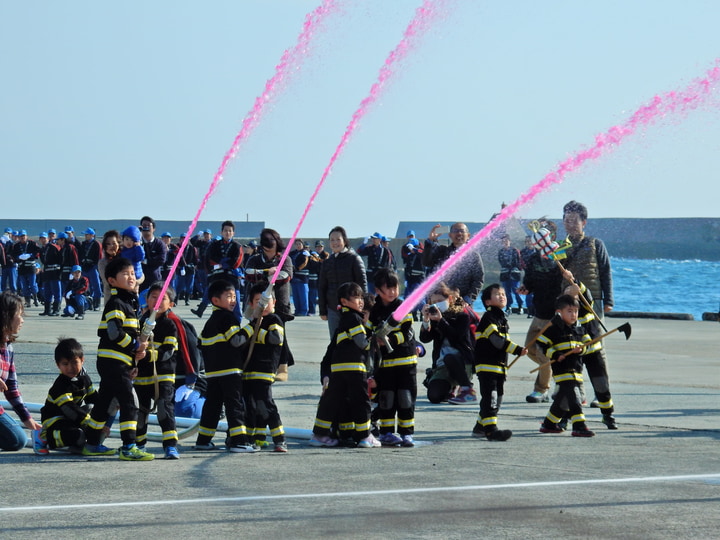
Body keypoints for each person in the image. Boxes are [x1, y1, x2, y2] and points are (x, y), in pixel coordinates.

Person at [81, 256, 154, 460]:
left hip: (118, 363)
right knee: (129, 402)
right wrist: (135, 346)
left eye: (132, 273)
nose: (131, 277)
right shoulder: (116, 304)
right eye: (125, 274)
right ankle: (129, 445)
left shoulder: (130, 305)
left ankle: (92, 442)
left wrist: (135, 358)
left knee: (104, 403)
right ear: (111, 280)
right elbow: (114, 333)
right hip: (113, 362)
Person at [310, 281, 380, 448]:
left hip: (338, 369)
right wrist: (374, 339)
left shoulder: (343, 320)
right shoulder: (354, 318)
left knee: (330, 401)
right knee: (361, 400)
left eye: (361, 297)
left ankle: (319, 434)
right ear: (344, 301)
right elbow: (362, 343)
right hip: (355, 368)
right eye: (356, 298)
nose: (361, 301)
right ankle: (365, 436)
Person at [562, 200, 614, 408]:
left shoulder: (595, 243)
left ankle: (601, 392)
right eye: (567, 220)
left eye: (574, 220)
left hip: (593, 302)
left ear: (584, 222)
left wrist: (608, 300)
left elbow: (605, 271)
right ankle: (577, 391)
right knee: (571, 345)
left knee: (596, 348)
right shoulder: (560, 246)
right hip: (569, 304)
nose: (570, 224)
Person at [194, 279, 256, 453]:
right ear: (215, 300)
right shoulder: (228, 318)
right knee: (234, 405)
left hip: (213, 373)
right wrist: (251, 327)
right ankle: (239, 441)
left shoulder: (210, 322)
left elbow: (200, 344)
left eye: (234, 296)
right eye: (228, 296)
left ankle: (203, 440)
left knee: (212, 406)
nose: (233, 300)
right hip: (230, 371)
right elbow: (236, 340)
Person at [516, 219, 565, 403]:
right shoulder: (533, 257)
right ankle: (557, 371)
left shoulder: (559, 256)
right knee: (528, 349)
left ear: (550, 236)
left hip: (554, 314)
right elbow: (530, 278)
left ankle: (541, 389)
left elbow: (564, 280)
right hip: (538, 311)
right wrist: (525, 287)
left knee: (545, 353)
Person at [369, 268, 418, 447]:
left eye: (394, 287)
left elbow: (407, 332)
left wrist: (389, 340)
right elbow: (369, 330)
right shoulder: (375, 311)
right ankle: (387, 433)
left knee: (405, 398)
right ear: (377, 290)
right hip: (385, 365)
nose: (392, 291)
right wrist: (375, 339)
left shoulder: (403, 307)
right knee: (386, 398)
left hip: (406, 362)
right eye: (387, 288)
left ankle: (406, 434)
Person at [472, 284, 527, 441]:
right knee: (491, 398)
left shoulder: (501, 318)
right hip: (487, 365)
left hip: (498, 366)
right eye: (497, 294)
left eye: (503, 293)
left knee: (498, 398)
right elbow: (496, 340)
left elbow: (503, 342)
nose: (502, 296)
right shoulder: (489, 318)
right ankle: (491, 431)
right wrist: (517, 350)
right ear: (488, 302)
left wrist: (517, 350)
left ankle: (479, 428)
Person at [537, 294, 595, 437]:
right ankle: (579, 426)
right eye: (569, 311)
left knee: (563, 399)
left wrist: (582, 349)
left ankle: (549, 424)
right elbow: (541, 344)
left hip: (576, 368)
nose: (573, 314)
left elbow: (589, 345)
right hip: (562, 370)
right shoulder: (553, 329)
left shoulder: (580, 329)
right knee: (574, 396)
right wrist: (555, 355)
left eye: (575, 311)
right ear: (559, 312)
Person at [564, 280, 618, 429]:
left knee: (601, 384)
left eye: (574, 293)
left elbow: (586, 293)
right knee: (569, 387)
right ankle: (564, 417)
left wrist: (575, 283)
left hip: (593, 351)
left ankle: (608, 415)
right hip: (574, 354)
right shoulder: (563, 314)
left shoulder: (588, 307)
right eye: (568, 294)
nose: (572, 295)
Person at [136, 283, 181, 459]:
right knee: (141, 411)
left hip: (163, 375)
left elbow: (168, 352)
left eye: (163, 298)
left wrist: (146, 355)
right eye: (153, 296)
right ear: (146, 300)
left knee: (164, 408)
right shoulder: (139, 322)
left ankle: (170, 446)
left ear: (171, 304)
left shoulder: (170, 325)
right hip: (141, 376)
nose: (157, 300)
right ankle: (139, 444)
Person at [243, 283, 288, 452]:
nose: (263, 304)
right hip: (249, 371)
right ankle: (254, 438)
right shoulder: (253, 321)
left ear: (274, 302)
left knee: (266, 403)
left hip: (264, 369)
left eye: (266, 300)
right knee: (250, 405)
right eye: (258, 301)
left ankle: (279, 439)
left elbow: (276, 338)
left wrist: (256, 332)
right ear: (252, 304)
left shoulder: (274, 320)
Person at [38, 338, 100, 454]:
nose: (70, 368)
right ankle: (46, 438)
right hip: (56, 422)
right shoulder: (61, 385)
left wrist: (102, 417)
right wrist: (89, 424)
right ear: (58, 365)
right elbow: (69, 408)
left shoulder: (85, 379)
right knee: (79, 436)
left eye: (74, 362)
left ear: (82, 360)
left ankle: (88, 441)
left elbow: (94, 399)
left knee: (92, 408)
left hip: (69, 420)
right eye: (65, 364)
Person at [419, 283, 476, 405]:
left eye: (440, 300)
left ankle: (467, 390)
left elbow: (456, 337)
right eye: (433, 302)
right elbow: (425, 339)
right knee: (434, 397)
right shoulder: (435, 317)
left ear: (449, 299)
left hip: (462, 363)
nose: (437, 304)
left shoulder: (462, 316)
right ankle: (450, 388)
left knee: (449, 358)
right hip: (442, 366)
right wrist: (426, 320)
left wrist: (441, 321)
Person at [0, 291, 42, 451]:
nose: (22, 320)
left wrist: (27, 418)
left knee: (17, 440)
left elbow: (12, 388)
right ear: (6, 316)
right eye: (19, 314)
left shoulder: (8, 348)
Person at [318, 226, 367, 338]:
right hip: (333, 308)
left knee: (355, 340)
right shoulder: (327, 262)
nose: (335, 243)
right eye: (332, 240)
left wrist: (364, 307)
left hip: (352, 308)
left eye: (338, 239)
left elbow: (362, 283)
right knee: (336, 341)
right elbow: (322, 287)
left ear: (345, 240)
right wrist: (322, 310)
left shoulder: (354, 259)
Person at [191, 221, 243, 319]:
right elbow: (210, 259)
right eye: (225, 230)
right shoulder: (214, 245)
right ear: (221, 232)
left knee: (235, 304)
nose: (227, 233)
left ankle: (237, 324)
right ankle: (204, 313)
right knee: (214, 300)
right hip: (217, 277)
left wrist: (222, 263)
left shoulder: (237, 246)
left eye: (230, 231)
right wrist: (224, 261)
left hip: (232, 278)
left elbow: (236, 262)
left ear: (233, 233)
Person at [423, 223, 485, 305]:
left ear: (468, 235)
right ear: (450, 235)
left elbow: (478, 279)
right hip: (442, 301)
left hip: (463, 302)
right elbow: (427, 262)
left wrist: (468, 299)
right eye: (455, 231)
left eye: (462, 231)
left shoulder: (473, 256)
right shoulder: (442, 251)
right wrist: (430, 241)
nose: (459, 233)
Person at [243, 228, 293, 320]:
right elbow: (248, 274)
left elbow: (284, 277)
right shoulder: (254, 259)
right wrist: (267, 272)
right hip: (256, 305)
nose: (269, 242)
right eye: (265, 240)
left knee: (277, 332)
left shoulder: (285, 259)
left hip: (279, 304)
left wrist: (260, 276)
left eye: (272, 239)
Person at [11, 230, 40, 308]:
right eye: (21, 236)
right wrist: (18, 257)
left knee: (32, 284)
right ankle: (28, 302)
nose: (22, 238)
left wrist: (31, 255)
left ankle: (35, 298)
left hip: (31, 267)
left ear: (26, 236)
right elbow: (13, 255)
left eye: (24, 236)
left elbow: (38, 251)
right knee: (24, 285)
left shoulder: (32, 243)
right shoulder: (16, 246)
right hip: (22, 268)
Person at [139, 216, 167, 292]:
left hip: (154, 278)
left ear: (153, 228)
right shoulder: (137, 243)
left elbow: (161, 260)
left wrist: (146, 261)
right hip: (139, 278)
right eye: (144, 225)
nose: (146, 227)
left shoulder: (160, 244)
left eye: (148, 225)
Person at [497, 234, 523, 313]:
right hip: (505, 274)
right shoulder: (501, 252)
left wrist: (513, 267)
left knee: (516, 290)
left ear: (509, 241)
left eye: (506, 241)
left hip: (514, 273)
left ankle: (520, 306)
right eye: (503, 241)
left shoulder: (515, 250)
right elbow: (501, 261)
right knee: (506, 291)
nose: (505, 242)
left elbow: (518, 261)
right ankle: (508, 306)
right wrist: (506, 266)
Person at [39, 232, 63, 317]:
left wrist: (60, 271)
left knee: (56, 292)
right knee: (47, 292)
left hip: (54, 273)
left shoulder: (54, 247)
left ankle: (56, 310)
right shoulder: (42, 249)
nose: (43, 240)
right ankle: (47, 310)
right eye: (41, 238)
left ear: (48, 239)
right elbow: (43, 261)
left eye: (44, 238)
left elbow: (60, 259)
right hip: (47, 274)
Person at [80, 227, 103, 311]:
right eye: (85, 234)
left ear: (92, 235)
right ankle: (88, 303)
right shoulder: (83, 244)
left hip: (93, 267)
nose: (85, 236)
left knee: (96, 285)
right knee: (85, 286)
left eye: (87, 234)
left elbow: (99, 256)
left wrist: (96, 266)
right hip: (84, 267)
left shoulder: (96, 244)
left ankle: (97, 304)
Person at [403, 238, 425, 321]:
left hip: (419, 279)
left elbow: (423, 254)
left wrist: (415, 249)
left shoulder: (420, 253)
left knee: (419, 297)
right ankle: (414, 314)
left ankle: (423, 313)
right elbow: (407, 268)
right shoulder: (410, 255)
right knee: (409, 297)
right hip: (410, 279)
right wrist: (406, 279)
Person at [175, 232, 199, 306]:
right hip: (180, 269)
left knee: (190, 285)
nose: (183, 240)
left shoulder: (192, 248)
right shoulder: (177, 247)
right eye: (182, 239)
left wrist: (194, 265)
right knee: (179, 285)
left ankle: (187, 300)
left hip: (190, 269)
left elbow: (195, 259)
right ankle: (176, 300)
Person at [98, 230, 121, 303]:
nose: (111, 246)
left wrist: (136, 282)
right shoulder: (102, 263)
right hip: (110, 299)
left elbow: (140, 275)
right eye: (108, 244)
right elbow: (107, 282)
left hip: (126, 298)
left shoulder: (125, 259)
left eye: (114, 243)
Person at [289, 239, 310, 316]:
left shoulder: (305, 253)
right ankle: (297, 310)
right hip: (294, 278)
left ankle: (304, 311)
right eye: (296, 244)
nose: (298, 245)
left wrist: (296, 268)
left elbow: (304, 263)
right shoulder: (292, 253)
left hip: (302, 278)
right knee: (295, 296)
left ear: (302, 245)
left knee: (303, 296)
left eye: (299, 244)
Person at [519, 235, 536, 317]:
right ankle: (530, 311)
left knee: (537, 294)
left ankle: (535, 311)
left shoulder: (537, 251)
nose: (529, 243)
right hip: (528, 274)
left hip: (537, 274)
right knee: (528, 294)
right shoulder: (522, 252)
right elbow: (521, 263)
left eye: (530, 241)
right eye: (527, 241)